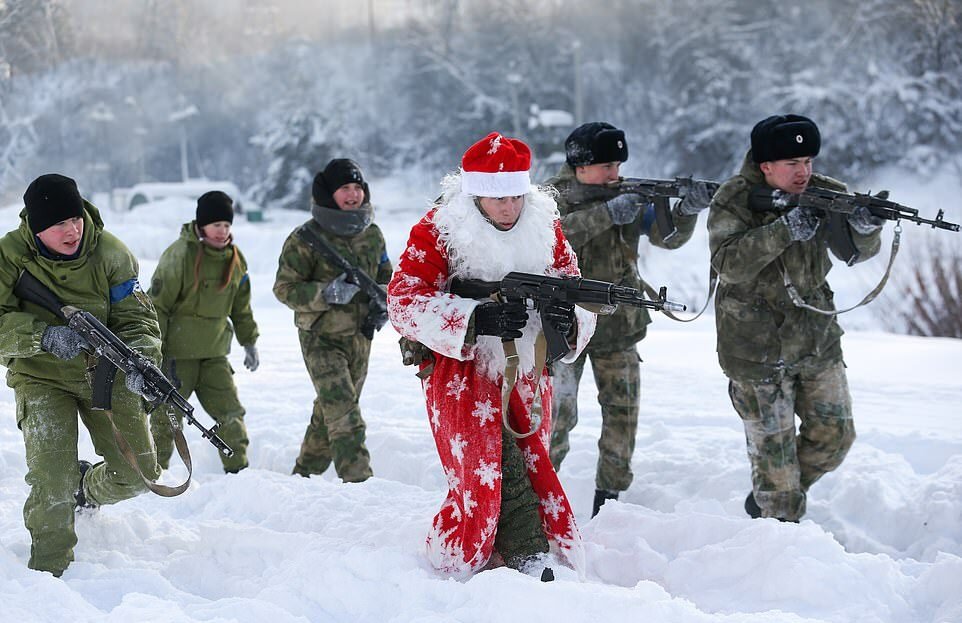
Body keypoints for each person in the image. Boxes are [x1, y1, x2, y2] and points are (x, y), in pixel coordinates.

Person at [387, 132, 597, 579]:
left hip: (526, 371)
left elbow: (574, 287)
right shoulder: (438, 230)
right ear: (472, 194)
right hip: (461, 373)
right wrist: (473, 319)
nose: (507, 209)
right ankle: (529, 552)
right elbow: (403, 301)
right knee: (486, 463)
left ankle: (506, 543)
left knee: (531, 458)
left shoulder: (545, 227)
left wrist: (565, 322)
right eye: (494, 198)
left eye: (516, 197)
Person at [708, 114, 885, 522]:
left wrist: (866, 227)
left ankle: (775, 493)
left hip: (816, 338)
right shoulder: (734, 199)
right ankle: (780, 538)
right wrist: (784, 229)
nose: (804, 171)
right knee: (776, 463)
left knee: (835, 435)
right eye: (792, 163)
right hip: (754, 347)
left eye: (808, 160)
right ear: (765, 165)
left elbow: (856, 252)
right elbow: (728, 263)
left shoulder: (826, 193)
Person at [544, 122, 715, 517]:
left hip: (619, 326)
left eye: (618, 165)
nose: (614, 174)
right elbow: (553, 239)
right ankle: (536, 497)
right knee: (557, 418)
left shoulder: (623, 194)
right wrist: (605, 214)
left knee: (622, 415)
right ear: (580, 165)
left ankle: (610, 504)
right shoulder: (550, 197)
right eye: (606, 165)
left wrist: (685, 211)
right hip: (563, 325)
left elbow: (665, 237)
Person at [0, 173, 162, 576]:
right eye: (58, 225)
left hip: (106, 372)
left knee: (139, 476)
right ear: (37, 230)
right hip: (40, 376)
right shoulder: (8, 256)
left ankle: (85, 487)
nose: (72, 230)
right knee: (51, 483)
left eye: (76, 219)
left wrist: (141, 361)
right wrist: (42, 337)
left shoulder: (112, 254)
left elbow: (139, 320)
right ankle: (48, 577)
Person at [273, 158, 392, 482]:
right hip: (321, 338)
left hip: (361, 337)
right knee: (344, 413)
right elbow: (283, 289)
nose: (353, 195)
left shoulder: (372, 234)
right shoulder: (305, 238)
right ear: (329, 194)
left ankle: (303, 476)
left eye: (357, 188)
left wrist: (383, 300)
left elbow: (387, 276)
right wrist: (325, 293)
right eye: (344, 189)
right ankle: (359, 482)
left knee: (332, 409)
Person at [148, 190, 259, 474]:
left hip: (214, 355)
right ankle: (154, 476)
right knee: (166, 419)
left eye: (227, 225)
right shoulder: (179, 255)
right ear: (201, 224)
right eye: (216, 225)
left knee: (231, 414)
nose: (222, 231)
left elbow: (241, 306)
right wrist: (151, 350)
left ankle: (239, 473)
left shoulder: (235, 260)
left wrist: (249, 341)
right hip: (175, 356)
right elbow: (156, 307)